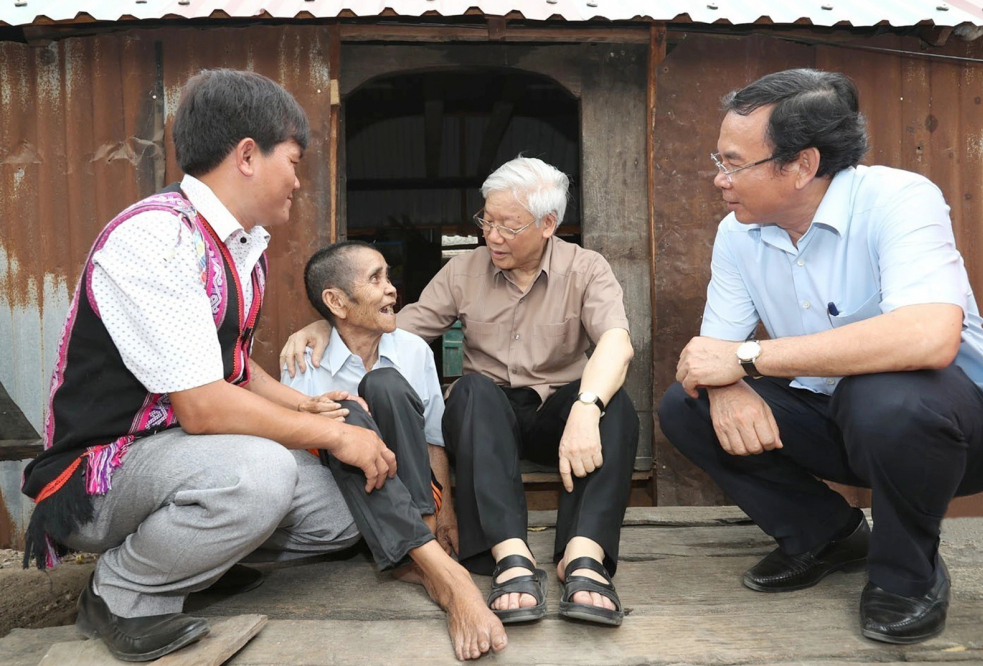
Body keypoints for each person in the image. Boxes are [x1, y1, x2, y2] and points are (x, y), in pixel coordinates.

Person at [19, 69, 505, 663]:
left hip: (180, 461)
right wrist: (331, 433)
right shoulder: (157, 238)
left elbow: (235, 367)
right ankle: (121, 593)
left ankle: (198, 566)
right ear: (248, 155)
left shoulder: (242, 247)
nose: (298, 181)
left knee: (348, 505)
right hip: (103, 474)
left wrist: (310, 406)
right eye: (294, 161)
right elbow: (202, 407)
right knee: (262, 473)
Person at [657, 68, 983, 645]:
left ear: (801, 165)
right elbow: (713, 354)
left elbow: (929, 336)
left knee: (882, 390)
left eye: (733, 163)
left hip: (956, 434)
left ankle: (906, 577)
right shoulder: (738, 235)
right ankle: (827, 535)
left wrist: (744, 359)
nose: (719, 180)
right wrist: (725, 381)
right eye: (719, 161)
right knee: (684, 405)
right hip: (842, 426)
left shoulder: (898, 199)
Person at [283, 157, 639, 626]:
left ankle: (584, 557)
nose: (491, 236)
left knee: (616, 405)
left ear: (548, 224)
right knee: (470, 391)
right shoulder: (464, 271)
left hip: (560, 415)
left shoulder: (586, 268)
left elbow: (617, 342)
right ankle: (511, 558)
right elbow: (393, 329)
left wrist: (586, 409)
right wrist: (331, 322)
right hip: (490, 424)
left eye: (508, 226)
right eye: (486, 221)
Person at [281, 240, 504, 653]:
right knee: (345, 413)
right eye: (376, 278)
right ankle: (443, 575)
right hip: (346, 498)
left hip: (416, 502)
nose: (391, 289)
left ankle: (419, 550)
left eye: (388, 276)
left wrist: (446, 511)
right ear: (336, 301)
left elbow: (433, 440)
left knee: (384, 385)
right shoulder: (304, 360)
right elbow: (299, 451)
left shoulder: (413, 349)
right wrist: (345, 425)